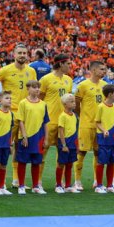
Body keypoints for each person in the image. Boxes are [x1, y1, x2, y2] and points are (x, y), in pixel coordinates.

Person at [0, 43, 37, 188]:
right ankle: (1, 182)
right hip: (10, 114)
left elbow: (35, 90)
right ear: (14, 54)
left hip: (25, 114)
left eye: (25, 53)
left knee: (20, 147)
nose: (22, 55)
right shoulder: (5, 70)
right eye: (20, 53)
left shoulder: (31, 71)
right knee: (6, 145)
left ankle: (17, 180)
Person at [39, 53, 72, 190]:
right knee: (42, 152)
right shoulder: (46, 79)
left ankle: (60, 182)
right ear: (60, 64)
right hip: (50, 122)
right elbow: (40, 100)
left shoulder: (69, 80)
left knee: (63, 154)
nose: (70, 66)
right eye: (68, 64)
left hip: (64, 122)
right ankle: (38, 182)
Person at [74, 61, 107, 190]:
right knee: (81, 152)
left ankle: (96, 180)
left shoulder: (105, 85)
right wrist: (82, 115)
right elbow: (76, 103)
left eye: (104, 69)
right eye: (101, 69)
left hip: (100, 126)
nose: (104, 72)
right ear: (93, 70)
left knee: (98, 153)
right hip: (86, 124)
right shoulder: (83, 85)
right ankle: (77, 181)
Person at [16, 80, 49, 195]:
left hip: (39, 137)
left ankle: (36, 186)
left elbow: (45, 122)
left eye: (38, 87)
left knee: (37, 161)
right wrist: (24, 135)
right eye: (34, 87)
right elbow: (20, 120)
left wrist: (46, 138)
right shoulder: (23, 103)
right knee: (22, 161)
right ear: (28, 89)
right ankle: (21, 185)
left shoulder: (43, 104)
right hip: (26, 137)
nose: (37, 89)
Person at [94, 84, 114, 194]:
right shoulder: (101, 106)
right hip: (103, 139)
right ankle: (99, 185)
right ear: (110, 95)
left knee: (112, 162)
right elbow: (97, 122)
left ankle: (110, 185)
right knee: (101, 162)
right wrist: (104, 130)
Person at [55, 93, 80, 194]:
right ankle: (58, 185)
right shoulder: (62, 116)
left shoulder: (74, 115)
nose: (74, 104)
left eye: (74, 101)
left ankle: (68, 185)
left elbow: (75, 130)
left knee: (69, 164)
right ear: (65, 104)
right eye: (72, 102)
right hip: (64, 143)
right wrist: (64, 145)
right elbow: (61, 131)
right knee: (61, 164)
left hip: (72, 143)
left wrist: (77, 144)